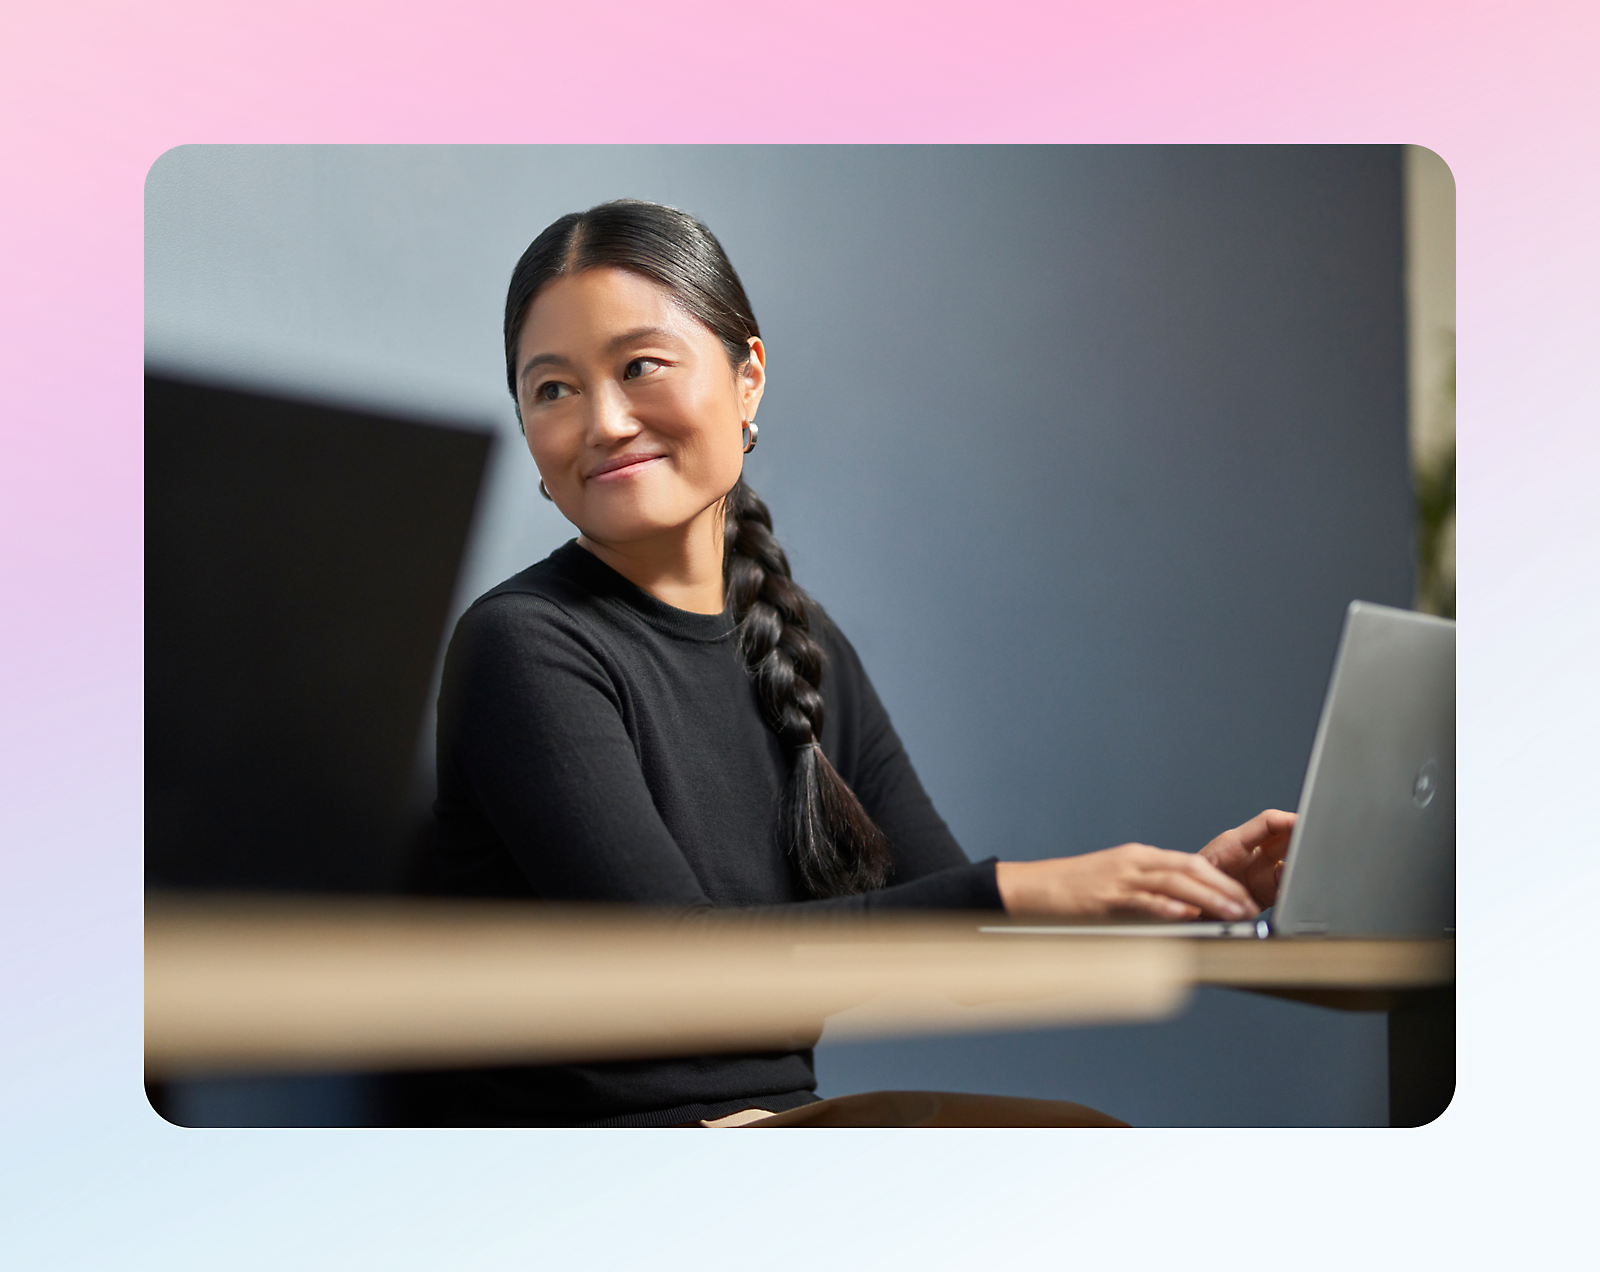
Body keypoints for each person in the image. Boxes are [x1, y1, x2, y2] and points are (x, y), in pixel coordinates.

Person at [423, 199, 1294, 1127]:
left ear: (747, 376)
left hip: (768, 1137)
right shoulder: (522, 644)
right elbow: (674, 967)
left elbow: (959, 953)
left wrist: (1174, 896)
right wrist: (1021, 885)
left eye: (640, 367)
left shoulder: (805, 646)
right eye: (552, 389)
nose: (602, 420)